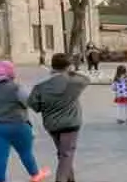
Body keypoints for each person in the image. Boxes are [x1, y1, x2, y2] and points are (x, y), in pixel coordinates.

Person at [0, 60, 44, 182]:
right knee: (25, 153)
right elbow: (28, 102)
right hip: (18, 126)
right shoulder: (15, 88)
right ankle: (35, 175)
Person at [27, 53, 87, 182]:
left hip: (51, 124)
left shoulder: (41, 85)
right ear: (68, 66)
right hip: (70, 123)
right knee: (66, 154)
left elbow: (33, 105)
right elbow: (85, 79)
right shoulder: (73, 82)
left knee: (63, 154)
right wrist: (72, 72)